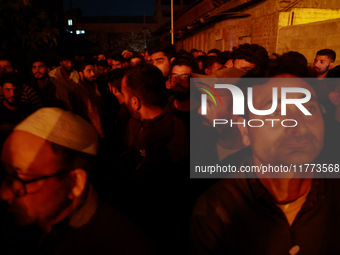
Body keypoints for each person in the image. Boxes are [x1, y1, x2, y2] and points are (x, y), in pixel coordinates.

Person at [189, 74, 340, 255]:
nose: (298, 125)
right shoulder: (217, 208)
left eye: (309, 108)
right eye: (275, 112)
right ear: (245, 130)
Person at [0, 107, 150, 254]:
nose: (4, 194)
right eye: (6, 175)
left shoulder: (119, 245)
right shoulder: (24, 225)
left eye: (22, 179)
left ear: (75, 183)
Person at [0, 72, 34, 145]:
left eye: (16, 90)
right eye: (8, 90)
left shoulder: (29, 111)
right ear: (2, 89)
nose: (12, 94)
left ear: (22, 90)